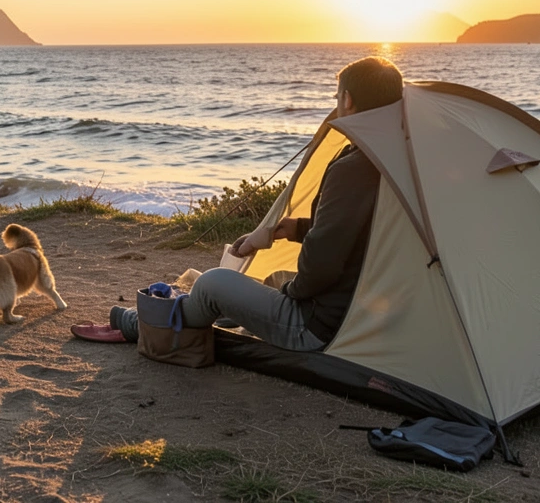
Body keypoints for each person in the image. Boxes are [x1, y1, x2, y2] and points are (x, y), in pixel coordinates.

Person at [111, 56, 404, 351]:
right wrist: (297, 228)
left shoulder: (353, 167)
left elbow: (322, 266)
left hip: (318, 327)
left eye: (336, 96)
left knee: (212, 284)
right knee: (271, 278)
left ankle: (143, 325)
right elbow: (360, 232)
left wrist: (292, 292)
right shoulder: (397, 158)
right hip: (366, 313)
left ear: (347, 99)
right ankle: (224, 314)